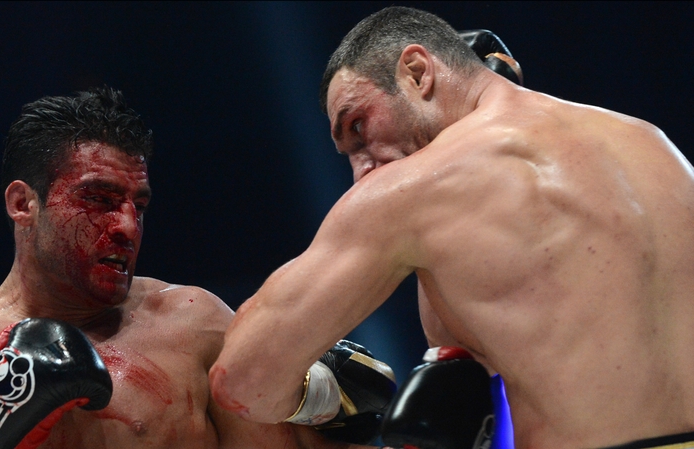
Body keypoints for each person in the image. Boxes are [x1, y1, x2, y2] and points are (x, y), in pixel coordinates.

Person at [210, 6, 694, 449]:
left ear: (418, 71)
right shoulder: (654, 144)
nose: (362, 171)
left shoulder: (412, 189)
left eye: (358, 126)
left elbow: (244, 381)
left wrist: (334, 396)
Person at [0, 87, 390, 449]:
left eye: (139, 205)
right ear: (24, 203)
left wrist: (333, 408)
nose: (127, 227)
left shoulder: (193, 327)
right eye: (99, 200)